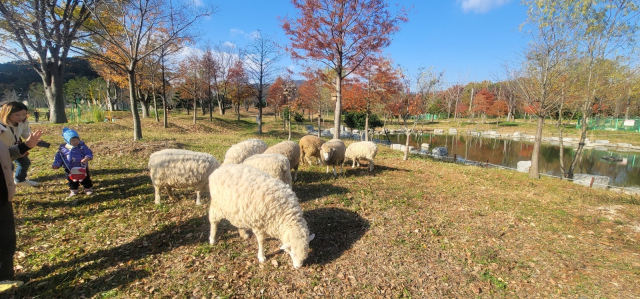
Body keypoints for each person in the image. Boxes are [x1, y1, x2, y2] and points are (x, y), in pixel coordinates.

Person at [0, 130, 43, 287]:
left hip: (3, 195)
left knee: (6, 238)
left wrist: (25, 146)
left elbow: (5, 155)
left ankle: (4, 276)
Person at [0, 102, 38, 187]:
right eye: (17, 115)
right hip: (3, 152)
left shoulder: (22, 122)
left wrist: (33, 139)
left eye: (24, 114)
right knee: (9, 168)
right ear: (8, 114)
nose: (21, 117)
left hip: (16, 147)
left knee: (25, 162)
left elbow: (26, 133)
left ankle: (20, 180)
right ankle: (6, 188)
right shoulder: (1, 125)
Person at [52, 128, 94, 197]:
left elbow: (88, 152)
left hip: (81, 166)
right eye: (73, 140)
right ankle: (74, 190)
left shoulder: (82, 146)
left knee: (85, 178)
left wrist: (87, 157)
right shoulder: (63, 149)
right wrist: (56, 164)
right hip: (69, 168)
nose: (75, 142)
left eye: (77, 139)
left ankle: (88, 189)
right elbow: (59, 158)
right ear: (67, 141)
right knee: (71, 180)